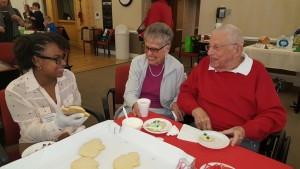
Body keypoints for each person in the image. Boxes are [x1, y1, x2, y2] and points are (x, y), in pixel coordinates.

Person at [177, 24, 287, 152]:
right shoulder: (205, 64)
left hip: (238, 140)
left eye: (216, 47)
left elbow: (274, 115)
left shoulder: (256, 72)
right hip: (201, 131)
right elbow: (186, 92)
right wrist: (195, 109)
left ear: (237, 50)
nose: (209, 52)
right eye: (210, 46)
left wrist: (245, 130)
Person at [5, 33, 88, 144]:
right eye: (57, 59)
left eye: (64, 56)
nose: (63, 63)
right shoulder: (16, 91)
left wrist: (67, 132)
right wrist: (57, 125)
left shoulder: (68, 76)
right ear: (36, 60)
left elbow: (76, 108)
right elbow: (30, 131)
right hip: (37, 145)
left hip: (70, 135)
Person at [116, 22, 185, 121]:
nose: (148, 53)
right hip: (136, 110)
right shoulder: (137, 62)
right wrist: (134, 104)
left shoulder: (177, 67)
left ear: (167, 49)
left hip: (163, 114)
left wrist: (175, 102)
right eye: (147, 47)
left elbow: (181, 93)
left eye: (154, 49)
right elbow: (130, 93)